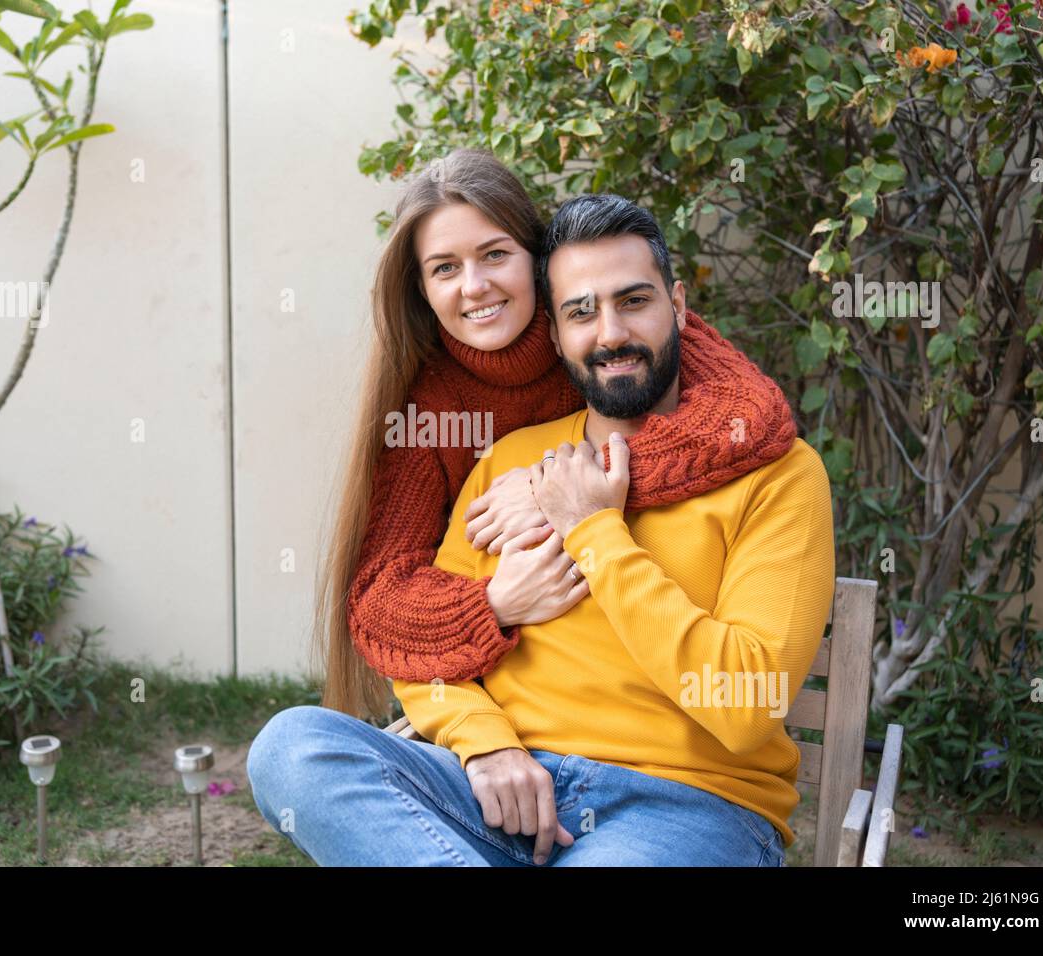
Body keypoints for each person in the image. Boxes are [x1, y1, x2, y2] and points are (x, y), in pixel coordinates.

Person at [248, 194, 836, 866]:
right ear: (555, 335)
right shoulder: (510, 465)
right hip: (501, 799)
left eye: (634, 301)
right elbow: (434, 653)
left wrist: (595, 531)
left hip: (681, 809)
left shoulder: (779, 475)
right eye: (581, 312)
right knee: (293, 748)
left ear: (677, 307)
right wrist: (484, 741)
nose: (610, 333)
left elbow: (742, 705)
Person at [312, 149, 798, 723]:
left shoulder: (609, 334)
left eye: (495, 255)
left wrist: (563, 486)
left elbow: (749, 421)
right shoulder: (429, 410)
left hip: (635, 681)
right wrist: (491, 604)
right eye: (444, 268)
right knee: (295, 742)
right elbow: (379, 604)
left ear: (534, 259)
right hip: (498, 676)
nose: (474, 286)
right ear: (420, 288)